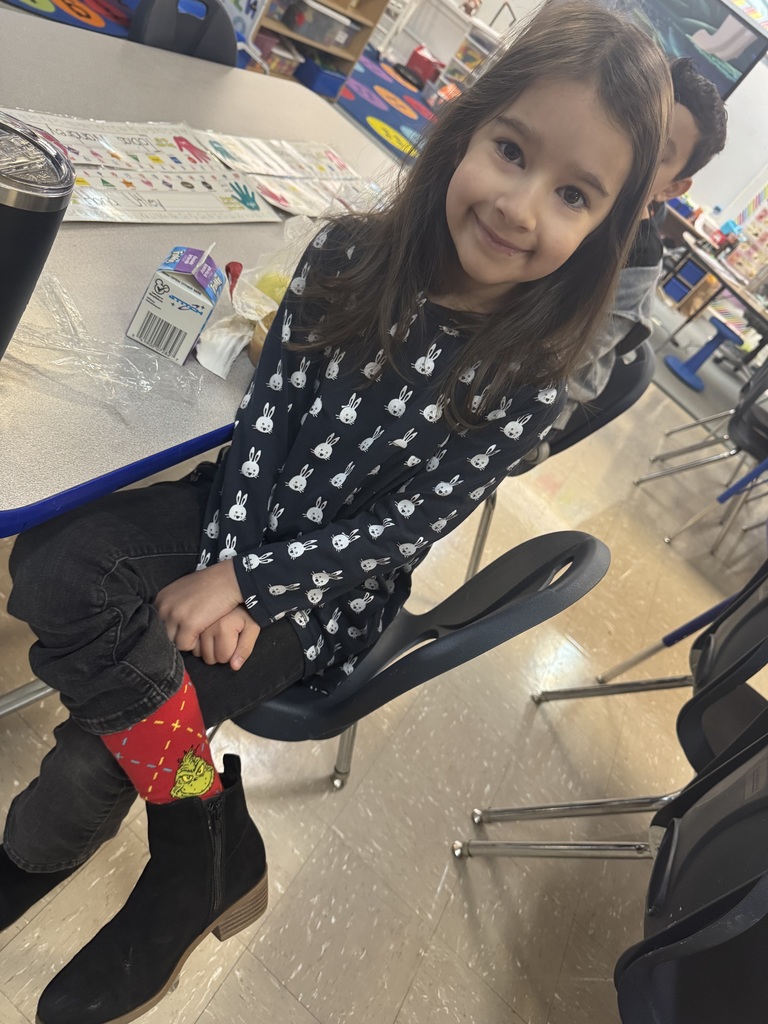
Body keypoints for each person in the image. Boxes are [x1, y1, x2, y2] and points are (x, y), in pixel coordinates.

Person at [1, 2, 673, 1022]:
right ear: (466, 128)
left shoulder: (531, 375)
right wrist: (223, 558)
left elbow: (400, 531)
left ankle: (47, 857)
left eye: (573, 193)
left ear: (603, 232)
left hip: (322, 594)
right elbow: (266, 422)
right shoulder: (348, 252)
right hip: (235, 512)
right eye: (511, 150)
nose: (522, 205)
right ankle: (203, 832)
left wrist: (251, 586)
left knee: (104, 747)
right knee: (53, 568)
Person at [548, 56, 728, 435]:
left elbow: (559, 362)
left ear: (672, 187)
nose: (630, 149)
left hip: (532, 403)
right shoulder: (558, 181)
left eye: (657, 152)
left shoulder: (636, 262)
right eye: (633, 125)